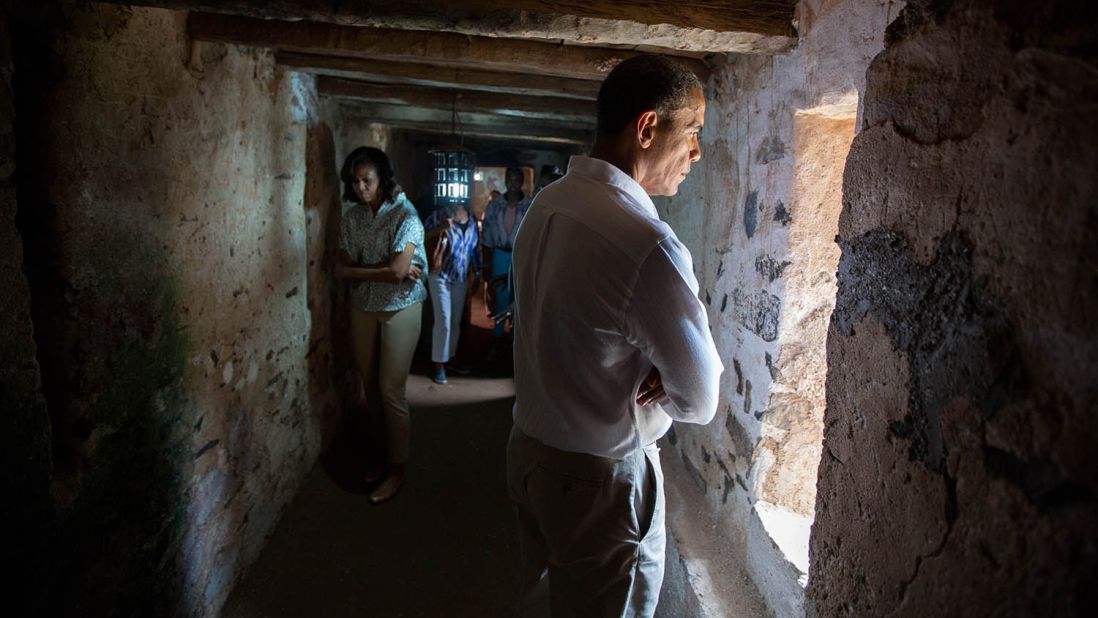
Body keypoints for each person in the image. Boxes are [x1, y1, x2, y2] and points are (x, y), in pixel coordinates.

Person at [507, 55, 723, 617]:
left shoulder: (547, 206)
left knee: (545, 597)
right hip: (600, 482)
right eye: (693, 132)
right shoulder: (647, 244)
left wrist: (642, 356)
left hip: (531, 452)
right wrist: (664, 374)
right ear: (648, 128)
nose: (697, 152)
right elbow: (699, 399)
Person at [334, 146, 427, 504]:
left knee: (390, 390)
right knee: (368, 386)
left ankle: (397, 468)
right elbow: (347, 263)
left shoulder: (407, 216)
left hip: (400, 307)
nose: (360, 187)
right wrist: (385, 270)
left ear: (382, 179)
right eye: (355, 182)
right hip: (364, 307)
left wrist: (367, 271)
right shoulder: (353, 218)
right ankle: (382, 455)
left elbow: (398, 272)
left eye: (367, 180)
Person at [423, 200, 481, 384]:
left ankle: (451, 357)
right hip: (440, 275)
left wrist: (477, 271)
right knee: (444, 320)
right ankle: (439, 364)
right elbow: (420, 237)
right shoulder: (439, 215)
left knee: (455, 320)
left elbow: (474, 250)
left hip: (461, 277)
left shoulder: (472, 219)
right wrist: (440, 227)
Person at [481, 166, 532, 341]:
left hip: (520, 257)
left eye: (517, 179)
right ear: (505, 181)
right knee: (500, 295)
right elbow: (486, 235)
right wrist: (486, 263)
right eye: (510, 179)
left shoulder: (529, 205)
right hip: (500, 255)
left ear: (522, 182)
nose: (513, 183)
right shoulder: (495, 205)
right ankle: (497, 336)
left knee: (517, 296)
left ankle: (514, 341)